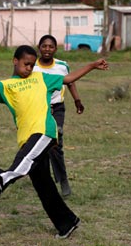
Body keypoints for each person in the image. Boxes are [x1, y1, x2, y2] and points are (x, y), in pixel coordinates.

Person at [0, 45, 108, 239]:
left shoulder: (41, 78)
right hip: (27, 138)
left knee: (23, 159)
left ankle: (3, 179)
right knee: (44, 186)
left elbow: (68, 79)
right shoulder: (6, 86)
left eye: (32, 65)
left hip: (45, 132)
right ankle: (67, 223)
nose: (29, 68)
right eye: (26, 64)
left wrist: (92, 65)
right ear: (15, 61)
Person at [33, 35, 84, 197]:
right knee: (41, 147)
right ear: (38, 47)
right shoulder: (32, 66)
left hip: (57, 109)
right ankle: (46, 179)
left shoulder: (62, 66)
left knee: (55, 146)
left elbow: (70, 82)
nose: (47, 49)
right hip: (38, 109)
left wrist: (77, 100)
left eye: (51, 46)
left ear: (55, 49)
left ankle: (63, 181)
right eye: (44, 46)